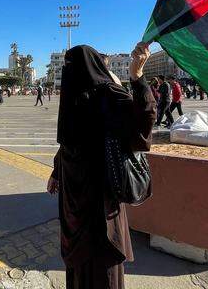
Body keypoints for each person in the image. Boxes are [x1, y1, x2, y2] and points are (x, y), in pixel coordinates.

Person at [48, 43, 156, 289]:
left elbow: (143, 121)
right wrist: (56, 171)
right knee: (89, 263)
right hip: (84, 198)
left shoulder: (104, 95)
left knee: (95, 262)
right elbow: (69, 141)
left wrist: (136, 77)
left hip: (92, 199)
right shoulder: (88, 96)